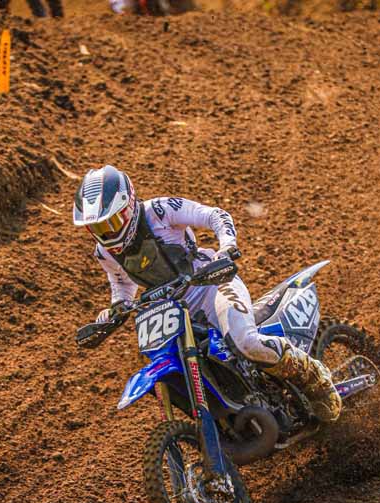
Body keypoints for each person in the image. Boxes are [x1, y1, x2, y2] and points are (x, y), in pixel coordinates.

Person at [73, 165, 341, 423]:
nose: (107, 233)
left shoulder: (160, 211)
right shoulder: (105, 252)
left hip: (212, 286)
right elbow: (120, 282)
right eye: (97, 228)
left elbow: (214, 215)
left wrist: (226, 247)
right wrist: (118, 305)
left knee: (245, 341)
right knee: (173, 361)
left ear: (129, 205)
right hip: (172, 313)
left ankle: (314, 377)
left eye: (112, 222)